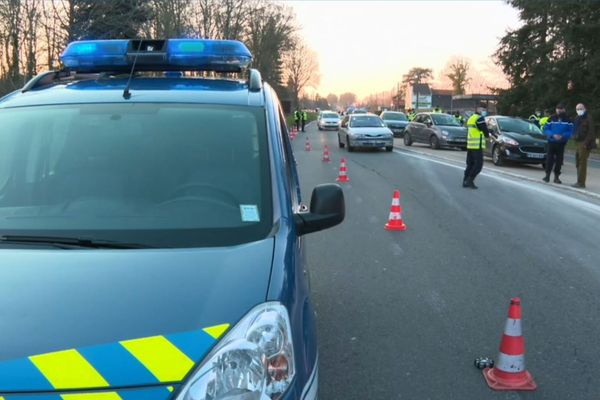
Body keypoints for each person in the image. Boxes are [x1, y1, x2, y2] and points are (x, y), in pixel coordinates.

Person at [542, 104, 573, 184]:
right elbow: (546, 129)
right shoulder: (551, 118)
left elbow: (571, 131)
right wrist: (552, 134)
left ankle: (556, 177)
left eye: (561, 109)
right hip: (551, 142)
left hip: (561, 143)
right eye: (557, 109)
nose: (559, 110)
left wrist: (562, 136)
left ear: (564, 110)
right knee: (549, 160)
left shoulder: (568, 119)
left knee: (559, 161)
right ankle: (547, 176)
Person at [463, 107, 490, 189]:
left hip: (470, 145)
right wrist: (487, 136)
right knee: (478, 165)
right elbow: (484, 129)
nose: (484, 111)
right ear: (478, 110)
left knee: (470, 164)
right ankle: (470, 180)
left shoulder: (471, 118)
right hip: (477, 145)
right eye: (483, 110)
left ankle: (465, 181)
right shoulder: (479, 118)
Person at [572, 103, 596, 188]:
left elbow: (591, 132)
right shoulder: (577, 117)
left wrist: (586, 143)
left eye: (580, 108)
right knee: (578, 162)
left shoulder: (588, 117)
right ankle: (579, 181)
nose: (579, 110)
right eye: (577, 109)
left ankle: (581, 183)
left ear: (584, 108)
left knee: (582, 163)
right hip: (578, 142)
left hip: (584, 143)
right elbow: (575, 128)